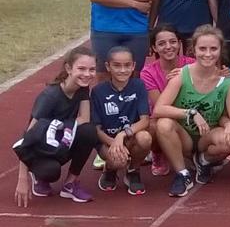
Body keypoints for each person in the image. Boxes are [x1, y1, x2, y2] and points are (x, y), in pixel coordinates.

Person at [154, 26, 230, 196]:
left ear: (220, 50)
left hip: (207, 137)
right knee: (163, 124)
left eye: (213, 49)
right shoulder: (181, 75)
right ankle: (183, 174)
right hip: (184, 138)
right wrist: (191, 113)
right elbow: (159, 109)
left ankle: (203, 161)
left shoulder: (226, 83)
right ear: (193, 50)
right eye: (202, 48)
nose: (208, 54)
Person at [12, 47, 99, 207]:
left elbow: (84, 118)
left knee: (88, 131)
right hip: (41, 146)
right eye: (81, 69)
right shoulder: (50, 96)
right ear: (68, 68)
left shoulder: (83, 87)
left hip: (60, 141)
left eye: (92, 69)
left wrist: (62, 128)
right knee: (51, 172)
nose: (87, 74)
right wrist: (22, 180)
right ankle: (38, 175)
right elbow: (28, 138)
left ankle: (70, 184)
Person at [91, 47, 152, 196]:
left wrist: (122, 135)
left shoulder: (138, 86)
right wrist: (113, 142)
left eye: (127, 65)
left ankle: (133, 171)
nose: (122, 70)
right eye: (117, 65)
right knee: (119, 161)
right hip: (107, 141)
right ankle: (109, 170)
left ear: (133, 66)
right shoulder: (98, 91)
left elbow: (145, 121)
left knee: (145, 138)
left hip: (129, 138)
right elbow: (96, 128)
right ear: (108, 67)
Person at [141, 24, 194, 176]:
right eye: (161, 43)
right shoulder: (148, 72)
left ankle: (195, 154)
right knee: (154, 125)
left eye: (172, 41)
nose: (168, 47)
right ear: (154, 48)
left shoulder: (192, 65)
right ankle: (158, 153)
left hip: (189, 118)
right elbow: (160, 107)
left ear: (179, 43)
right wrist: (174, 83)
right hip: (164, 118)